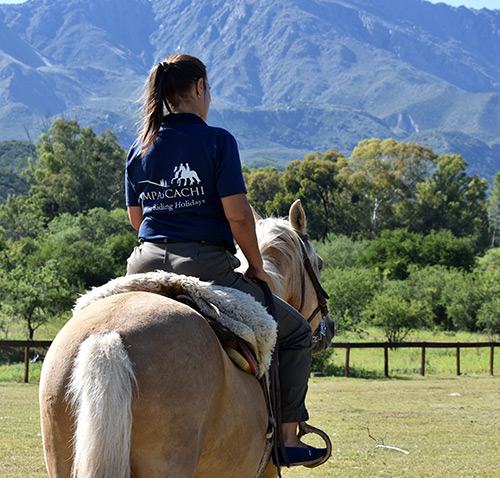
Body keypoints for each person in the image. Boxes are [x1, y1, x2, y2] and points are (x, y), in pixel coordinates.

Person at [125, 53, 326, 466]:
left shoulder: (139, 146)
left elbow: (136, 219)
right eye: (209, 89)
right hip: (204, 266)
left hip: (142, 264)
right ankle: (288, 439)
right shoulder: (218, 141)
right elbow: (238, 217)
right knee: (295, 335)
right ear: (200, 87)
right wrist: (254, 266)